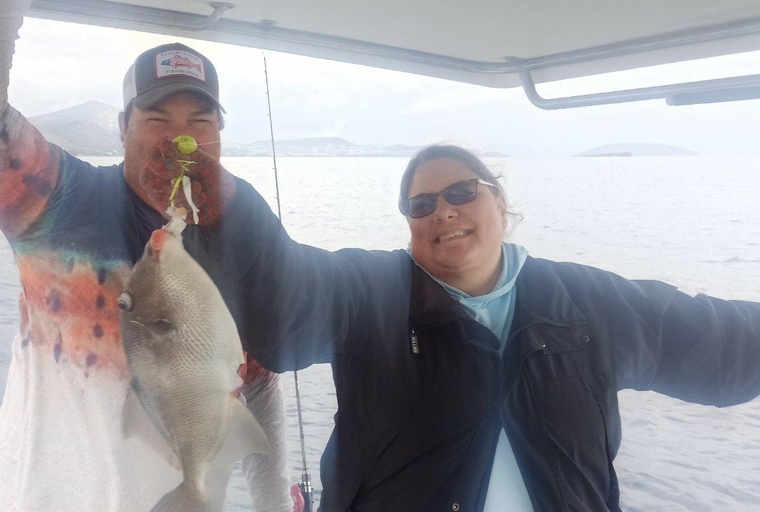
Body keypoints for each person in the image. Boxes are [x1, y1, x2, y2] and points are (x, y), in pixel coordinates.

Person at [151, 144, 760, 510]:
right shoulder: (369, 291)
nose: (443, 208)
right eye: (421, 204)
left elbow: (712, 341)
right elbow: (285, 295)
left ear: (500, 202)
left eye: (463, 191)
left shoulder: (585, 301)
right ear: (411, 226)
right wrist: (232, 208)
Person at [0, 2, 294, 511]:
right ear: (121, 126)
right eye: (156, 117)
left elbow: (260, 387)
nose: (182, 137)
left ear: (219, 133)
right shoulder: (58, 199)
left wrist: (274, 505)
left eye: (201, 120)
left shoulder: (242, 227)